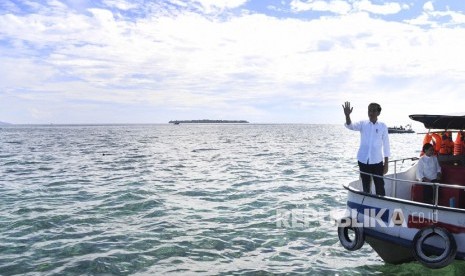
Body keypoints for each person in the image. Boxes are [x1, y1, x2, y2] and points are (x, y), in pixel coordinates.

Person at [343, 102, 390, 196]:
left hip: (377, 161)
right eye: (369, 110)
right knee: (366, 186)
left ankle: (382, 205)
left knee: (380, 186)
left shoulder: (383, 126)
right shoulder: (362, 124)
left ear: (378, 113)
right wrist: (347, 115)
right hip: (363, 160)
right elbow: (350, 125)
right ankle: (368, 205)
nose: (371, 112)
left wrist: (386, 163)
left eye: (373, 110)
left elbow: (386, 145)